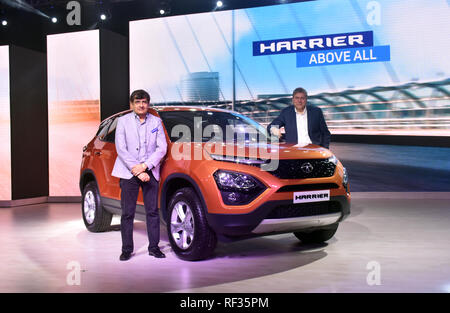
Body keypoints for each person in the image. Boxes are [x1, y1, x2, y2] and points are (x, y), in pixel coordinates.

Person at [111, 89, 168, 261]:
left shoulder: (157, 122)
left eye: (144, 102)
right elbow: (121, 148)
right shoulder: (122, 121)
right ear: (132, 104)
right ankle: (127, 249)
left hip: (149, 171)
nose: (141, 105)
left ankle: (154, 248)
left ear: (148, 104)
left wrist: (145, 166)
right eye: (137, 102)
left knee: (152, 212)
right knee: (128, 213)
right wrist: (136, 168)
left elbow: (162, 148)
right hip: (129, 172)